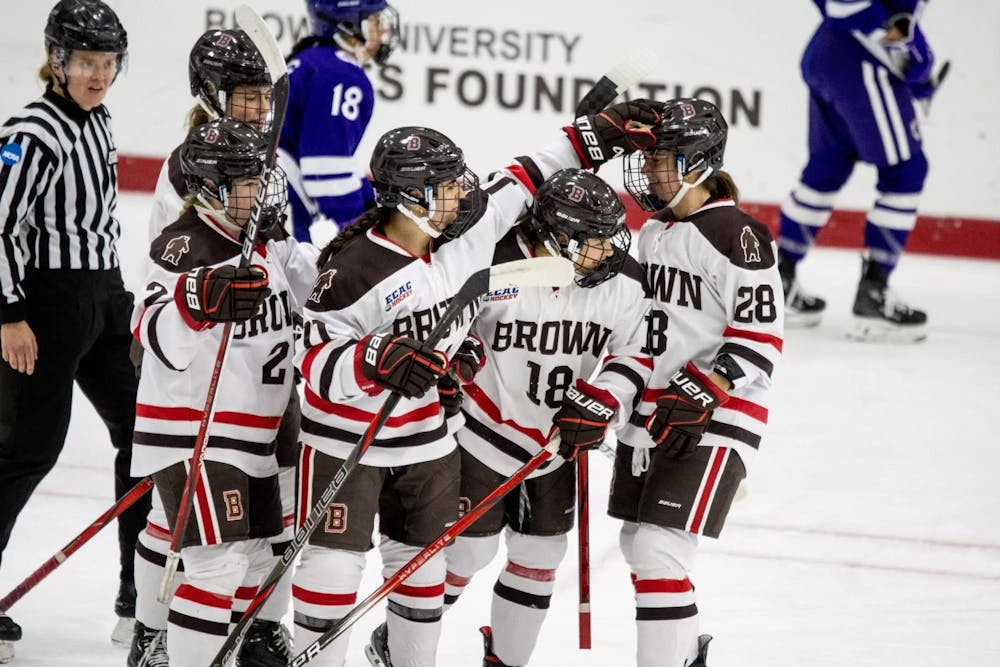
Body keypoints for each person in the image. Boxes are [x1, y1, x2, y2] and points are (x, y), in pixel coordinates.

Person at [292, 102, 659, 667]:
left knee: (422, 571)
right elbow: (310, 358)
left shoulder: (469, 238)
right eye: (448, 185)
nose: (464, 193)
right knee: (335, 567)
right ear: (411, 198)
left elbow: (524, 175)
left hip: (429, 440)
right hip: (351, 438)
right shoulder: (356, 266)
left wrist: (592, 138)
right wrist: (373, 357)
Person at [128, 28, 297, 667]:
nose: (257, 108)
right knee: (191, 536)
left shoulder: (262, 172)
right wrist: (201, 298)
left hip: (256, 388)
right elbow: (170, 273)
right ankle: (155, 630)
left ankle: (241, 631)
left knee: (262, 536)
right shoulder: (190, 173)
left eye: (264, 97)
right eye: (244, 95)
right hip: (199, 383)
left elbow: (296, 270)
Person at [441, 168, 653, 667]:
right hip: (479, 431)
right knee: (468, 552)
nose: (606, 252)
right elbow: (451, 325)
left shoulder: (622, 281)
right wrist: (459, 354)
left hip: (555, 445)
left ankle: (506, 662)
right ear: (554, 236)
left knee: (539, 556)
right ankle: (403, 635)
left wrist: (606, 398)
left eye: (610, 238)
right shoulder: (496, 263)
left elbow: (636, 354)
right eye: (591, 240)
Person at [610, 98, 784, 667]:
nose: (651, 169)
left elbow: (761, 337)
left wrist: (712, 383)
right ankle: (682, 657)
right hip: (653, 414)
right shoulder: (655, 231)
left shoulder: (738, 234)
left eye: (663, 158)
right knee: (638, 545)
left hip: (716, 415)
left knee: (660, 549)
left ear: (700, 161)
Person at [0, 1, 148, 660]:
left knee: (145, 436)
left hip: (105, 299)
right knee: (28, 450)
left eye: (108, 62)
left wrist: (118, 301)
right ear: (58, 61)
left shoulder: (101, 119)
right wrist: (8, 315)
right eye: (86, 62)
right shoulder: (34, 131)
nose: (98, 75)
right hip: (48, 306)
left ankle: (137, 595)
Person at [777, 0, 935, 341]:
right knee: (906, 171)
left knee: (827, 167)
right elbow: (843, 6)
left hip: (828, 54)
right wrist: (904, 44)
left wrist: (915, 59)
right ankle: (874, 294)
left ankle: (779, 282)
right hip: (863, 60)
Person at [279, 0, 400, 247]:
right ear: (349, 24)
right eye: (376, 20)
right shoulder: (341, 75)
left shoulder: (312, 60)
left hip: (271, 200)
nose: (383, 30)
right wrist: (361, 222)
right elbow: (325, 170)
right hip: (287, 214)